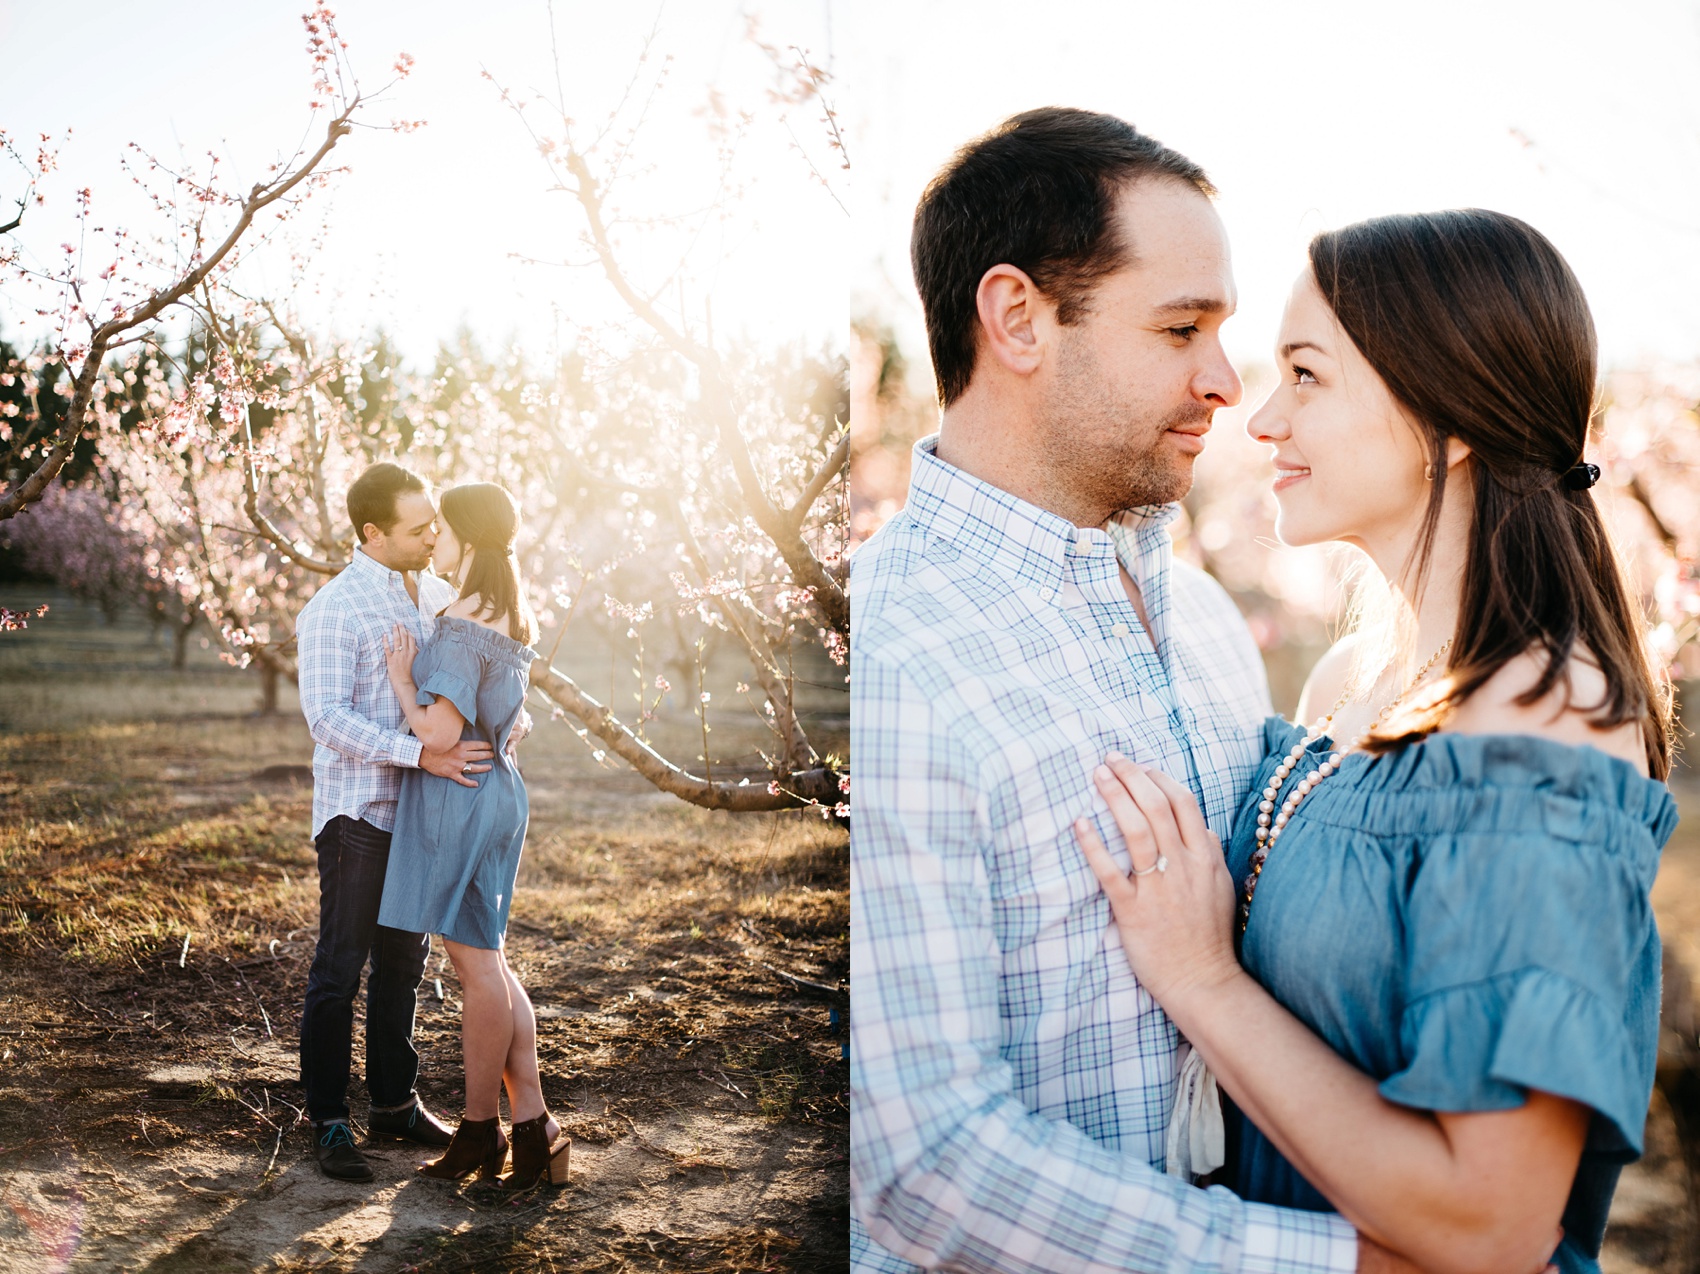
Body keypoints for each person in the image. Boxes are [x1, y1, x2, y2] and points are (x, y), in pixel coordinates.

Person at [851, 108, 1418, 1273]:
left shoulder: (1206, 624)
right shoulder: (890, 656)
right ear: (1016, 318)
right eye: (1179, 328)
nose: (1225, 382)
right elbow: (925, 1160)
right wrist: (1343, 1266)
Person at [1076, 210, 1676, 1274]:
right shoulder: (1345, 682)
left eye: (1305, 375)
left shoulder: (1544, 718)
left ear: (1445, 415)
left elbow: (1491, 1223)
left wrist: (1203, 980)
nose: (1259, 418)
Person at [296, 462, 497, 1182]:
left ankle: (392, 1102)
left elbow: (473, 671)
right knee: (340, 966)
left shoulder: (437, 594)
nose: (433, 536)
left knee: (403, 966)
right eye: (419, 529)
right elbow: (326, 719)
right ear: (373, 533)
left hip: (420, 815)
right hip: (359, 814)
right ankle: (327, 1119)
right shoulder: (335, 609)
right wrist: (416, 755)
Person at [378, 481, 570, 1191]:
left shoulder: (462, 620)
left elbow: (438, 731)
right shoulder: (510, 606)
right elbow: (506, 711)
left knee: (477, 968)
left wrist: (404, 680)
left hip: (462, 795)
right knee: (491, 962)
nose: (435, 540)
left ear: (465, 533)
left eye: (442, 528)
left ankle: (479, 1130)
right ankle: (534, 1125)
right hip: (500, 791)